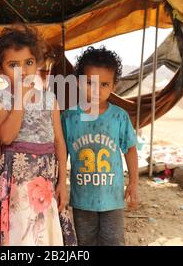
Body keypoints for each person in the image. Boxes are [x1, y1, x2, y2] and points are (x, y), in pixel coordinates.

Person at [0, 26, 76, 246]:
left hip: (45, 179)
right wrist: (19, 98)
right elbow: (6, 137)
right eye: (13, 65)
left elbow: (59, 141)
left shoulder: (50, 100)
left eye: (28, 63)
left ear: (37, 62)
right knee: (20, 234)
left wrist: (62, 183)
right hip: (15, 183)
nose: (23, 71)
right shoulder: (1, 99)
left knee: (43, 234)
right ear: (0, 70)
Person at [61, 46, 139, 246]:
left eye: (104, 84)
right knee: (85, 242)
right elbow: (61, 154)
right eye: (90, 83)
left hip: (112, 199)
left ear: (113, 86)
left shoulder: (119, 116)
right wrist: (59, 183)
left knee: (113, 241)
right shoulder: (69, 117)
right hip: (82, 199)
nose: (97, 90)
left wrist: (133, 183)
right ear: (78, 82)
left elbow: (130, 149)